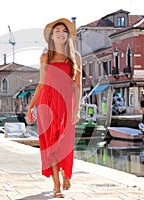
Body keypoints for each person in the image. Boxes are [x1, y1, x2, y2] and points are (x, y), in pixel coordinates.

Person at [27, 18, 82, 198]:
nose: (60, 33)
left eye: (63, 31)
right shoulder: (45, 57)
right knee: (50, 145)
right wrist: (31, 107)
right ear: (52, 36)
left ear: (68, 35)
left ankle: (66, 174)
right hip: (46, 104)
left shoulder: (75, 57)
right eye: (57, 30)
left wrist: (77, 110)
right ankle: (56, 185)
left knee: (65, 144)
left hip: (66, 104)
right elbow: (41, 84)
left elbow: (77, 86)